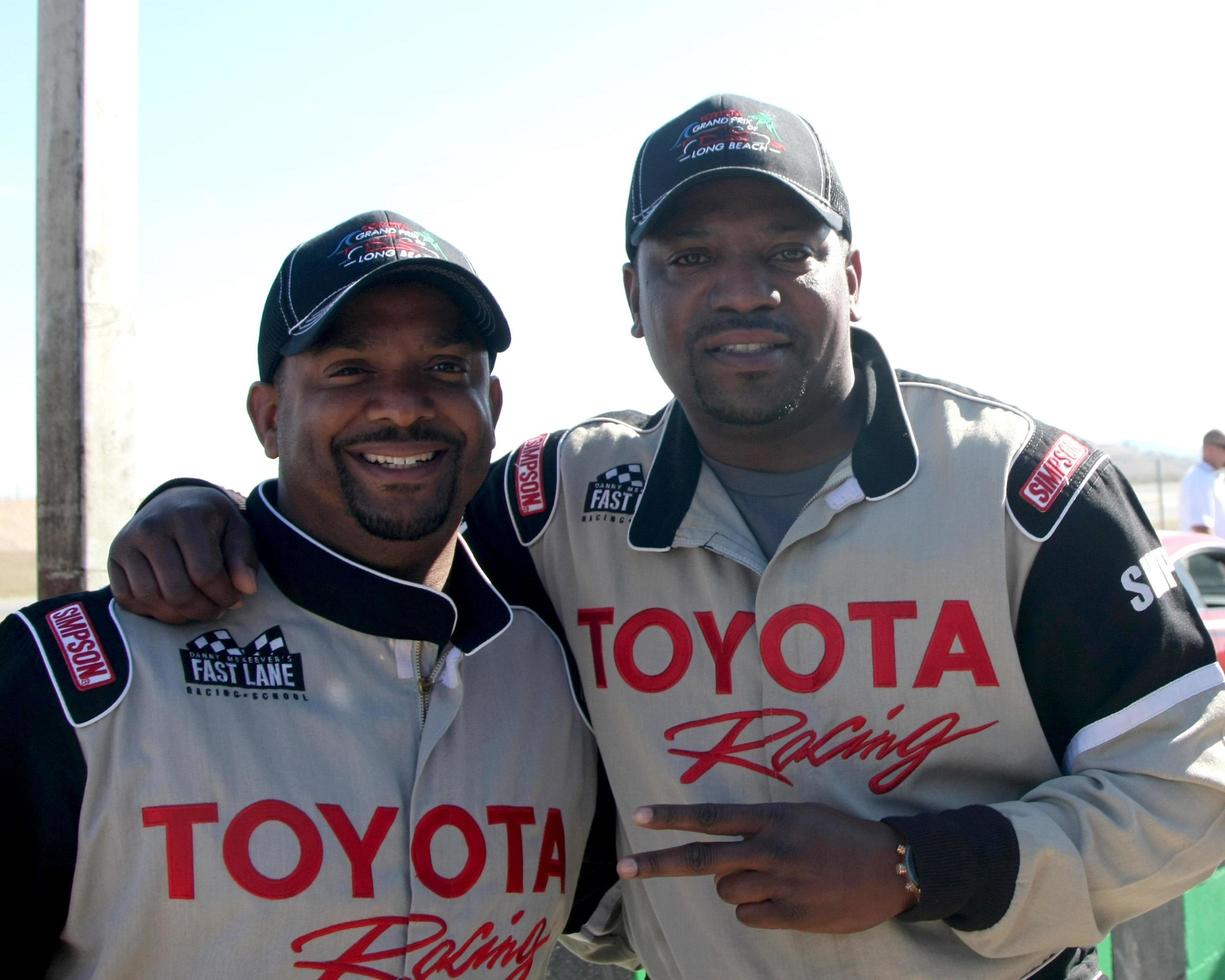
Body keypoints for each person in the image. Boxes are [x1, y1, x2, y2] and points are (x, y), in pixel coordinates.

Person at [108, 97, 1225, 980]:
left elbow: (1192, 792)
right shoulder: (558, 495)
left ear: (853, 272)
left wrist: (912, 866)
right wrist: (198, 505)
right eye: (688, 258)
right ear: (632, 295)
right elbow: (381, 515)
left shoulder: (1022, 488)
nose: (741, 292)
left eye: (785, 249)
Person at [1, 210, 599, 978]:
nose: (403, 404)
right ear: (270, 416)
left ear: (494, 406)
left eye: (447, 368)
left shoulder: (557, 663)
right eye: (349, 370)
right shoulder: (80, 679)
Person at [1178, 428, 1225, 533]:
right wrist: (1215, 550)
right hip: (1212, 548)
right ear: (1210, 449)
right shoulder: (1199, 478)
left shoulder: (1211, 476)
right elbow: (1201, 528)